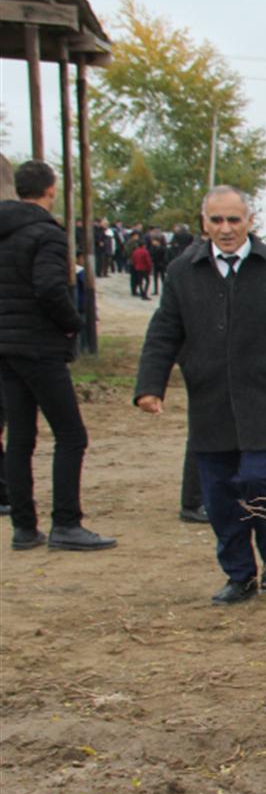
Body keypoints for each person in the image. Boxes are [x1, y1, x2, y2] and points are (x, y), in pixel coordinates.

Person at [133, 185, 266, 602]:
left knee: (257, 477)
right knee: (219, 492)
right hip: (210, 400)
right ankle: (239, 574)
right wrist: (149, 385)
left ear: (249, 221)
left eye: (233, 220)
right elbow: (164, 331)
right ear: (204, 223)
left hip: (265, 396)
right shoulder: (183, 272)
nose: (225, 229)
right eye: (217, 220)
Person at [0, 160, 116, 551]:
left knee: (20, 436)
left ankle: (24, 526)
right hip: (39, 346)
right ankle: (66, 522)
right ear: (51, 190)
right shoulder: (46, 234)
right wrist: (72, 323)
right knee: (71, 435)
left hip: (6, 346)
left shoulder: (5, 231)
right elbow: (50, 287)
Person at [129, 234, 153, 300]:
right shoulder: (145, 251)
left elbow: (133, 259)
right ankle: (144, 294)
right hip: (144, 268)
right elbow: (148, 261)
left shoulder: (135, 251)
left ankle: (142, 292)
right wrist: (150, 268)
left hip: (137, 268)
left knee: (140, 281)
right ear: (144, 245)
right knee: (147, 281)